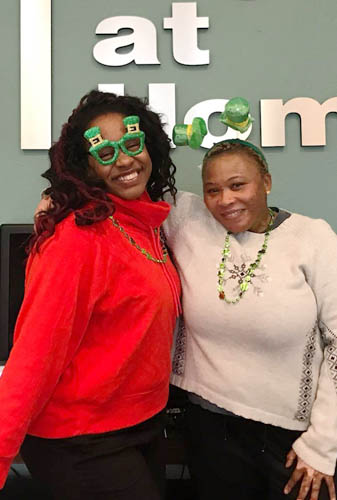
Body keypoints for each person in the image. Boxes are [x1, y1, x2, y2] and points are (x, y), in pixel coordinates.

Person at [0, 89, 181, 499]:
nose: (124, 161)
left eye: (132, 144)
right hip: (80, 440)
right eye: (105, 154)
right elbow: (33, 357)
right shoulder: (76, 238)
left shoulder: (148, 223)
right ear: (87, 166)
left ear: (149, 145)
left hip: (141, 424)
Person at [163, 139, 337, 500]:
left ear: (267, 182)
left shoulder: (313, 238)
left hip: (293, 438)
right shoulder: (187, 219)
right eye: (213, 190)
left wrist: (322, 446)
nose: (226, 199)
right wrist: (59, 199)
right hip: (211, 430)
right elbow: (123, 182)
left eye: (238, 185)